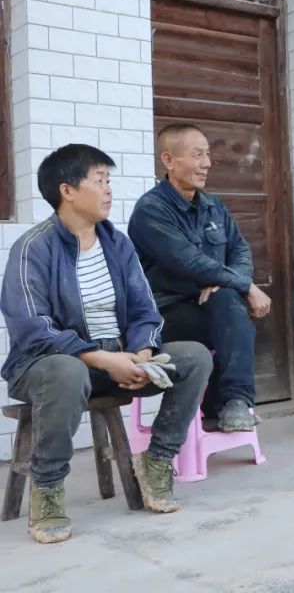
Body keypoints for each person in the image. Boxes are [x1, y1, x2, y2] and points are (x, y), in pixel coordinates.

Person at [0, 144, 212, 544]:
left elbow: (145, 311)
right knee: (67, 370)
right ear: (67, 190)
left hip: (117, 357)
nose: (109, 190)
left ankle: (157, 461)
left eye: (109, 180)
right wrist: (102, 359)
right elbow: (32, 328)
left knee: (194, 357)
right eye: (99, 181)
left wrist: (142, 354)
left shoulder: (118, 244)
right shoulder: (33, 248)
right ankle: (47, 489)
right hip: (46, 365)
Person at [128, 123, 270, 433]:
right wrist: (244, 285)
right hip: (167, 313)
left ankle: (234, 403)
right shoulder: (151, 210)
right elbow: (188, 261)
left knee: (228, 303)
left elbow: (240, 250)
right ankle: (226, 404)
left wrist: (227, 281)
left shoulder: (213, 206)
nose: (206, 163)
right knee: (232, 316)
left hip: (210, 304)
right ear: (169, 160)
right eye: (197, 155)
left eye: (207, 155)